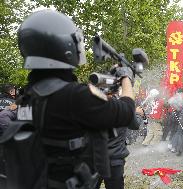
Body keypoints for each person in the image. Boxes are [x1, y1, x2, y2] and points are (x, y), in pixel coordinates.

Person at [14, 9, 138, 188]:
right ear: (65, 46)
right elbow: (126, 112)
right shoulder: (74, 96)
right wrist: (126, 77)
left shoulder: (27, 97)